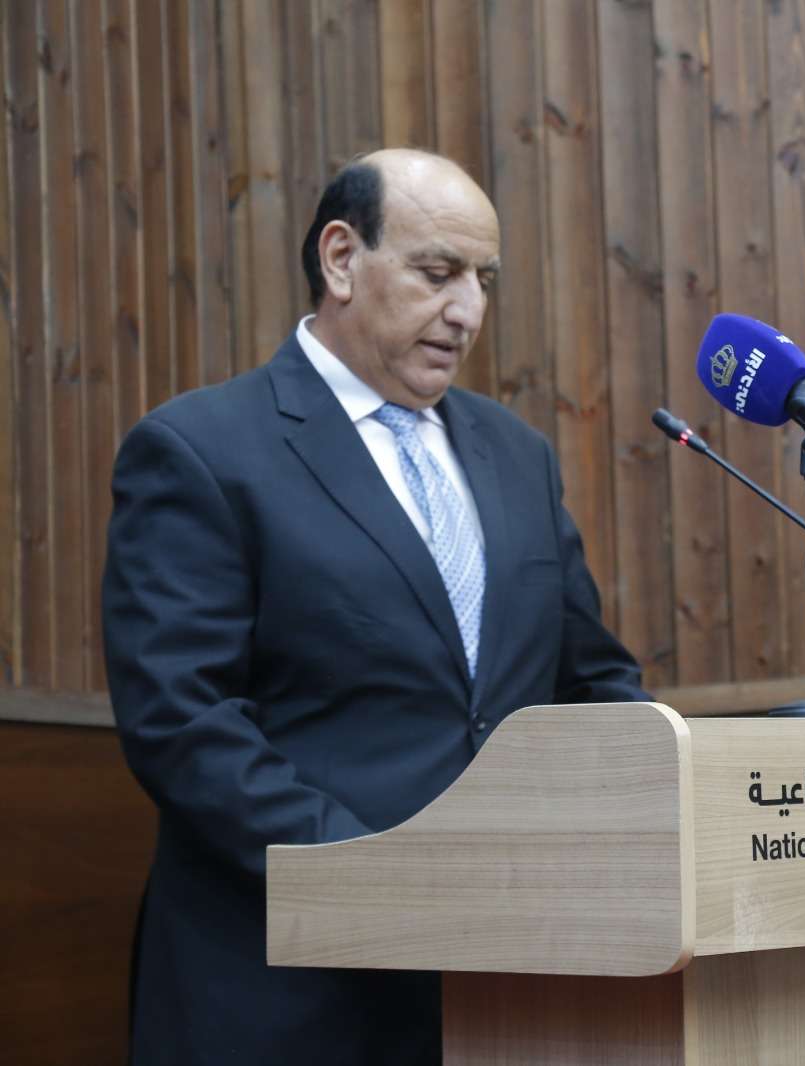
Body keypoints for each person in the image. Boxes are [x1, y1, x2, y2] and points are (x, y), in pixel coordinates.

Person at [102, 149, 649, 1065]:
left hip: (508, 983)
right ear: (342, 259)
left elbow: (591, 682)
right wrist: (380, 882)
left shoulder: (517, 456)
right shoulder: (201, 449)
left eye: (483, 280)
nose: (468, 311)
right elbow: (181, 720)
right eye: (438, 273)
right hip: (287, 991)